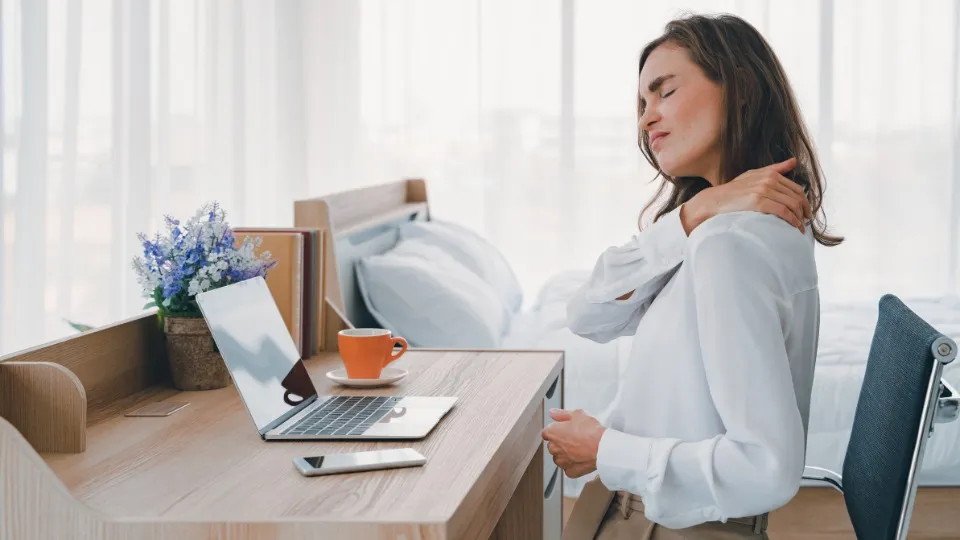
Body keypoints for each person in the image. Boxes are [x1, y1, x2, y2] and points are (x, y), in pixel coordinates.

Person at [542, 13, 843, 540]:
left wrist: (603, 448)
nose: (645, 119)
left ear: (741, 89)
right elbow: (587, 313)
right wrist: (698, 209)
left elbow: (765, 468)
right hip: (644, 511)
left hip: (668, 524)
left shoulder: (730, 244)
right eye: (641, 104)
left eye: (664, 92)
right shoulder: (725, 228)